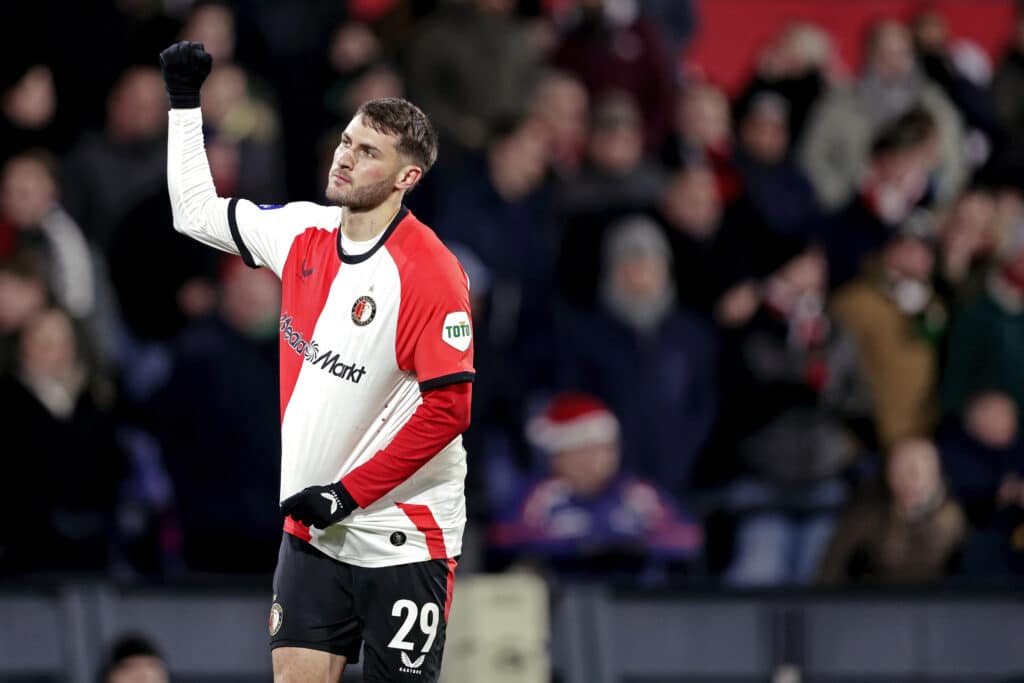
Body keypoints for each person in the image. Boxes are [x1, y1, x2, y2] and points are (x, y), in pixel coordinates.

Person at [159, 42, 474, 683]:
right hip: (314, 530)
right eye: (348, 141)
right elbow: (192, 213)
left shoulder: (430, 274)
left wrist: (349, 492)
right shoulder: (302, 231)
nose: (345, 157)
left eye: (367, 152)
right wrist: (185, 105)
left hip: (402, 535)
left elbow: (450, 409)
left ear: (406, 178)